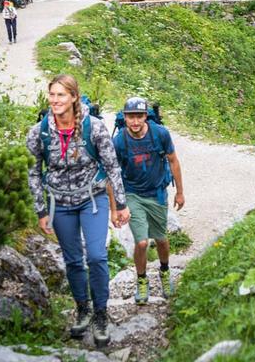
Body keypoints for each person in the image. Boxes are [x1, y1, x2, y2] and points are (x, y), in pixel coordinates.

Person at [26, 75, 130, 347]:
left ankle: (100, 314)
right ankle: (82, 308)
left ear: (73, 97)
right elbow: (33, 173)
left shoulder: (93, 128)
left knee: (96, 256)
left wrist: (120, 204)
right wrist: (40, 210)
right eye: (52, 95)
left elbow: (112, 167)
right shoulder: (39, 132)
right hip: (59, 204)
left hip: (92, 200)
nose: (55, 101)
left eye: (61, 95)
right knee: (73, 260)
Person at [113, 97, 184, 304]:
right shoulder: (119, 141)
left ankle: (164, 271)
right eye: (130, 117)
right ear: (125, 118)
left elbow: (173, 161)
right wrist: (116, 206)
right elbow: (111, 173)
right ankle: (142, 280)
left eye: (138, 117)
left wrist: (180, 192)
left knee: (161, 239)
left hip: (157, 193)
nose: (135, 122)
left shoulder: (160, 134)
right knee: (142, 242)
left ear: (146, 116)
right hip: (133, 194)